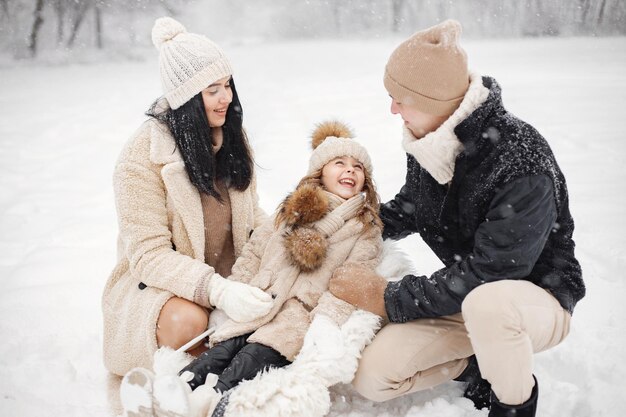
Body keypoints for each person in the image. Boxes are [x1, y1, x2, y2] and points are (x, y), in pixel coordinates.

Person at [329, 19, 585, 417]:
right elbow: (410, 208)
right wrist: (339, 224)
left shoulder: (520, 160)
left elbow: (494, 273)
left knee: (491, 305)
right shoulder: (430, 142)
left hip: (533, 301)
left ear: (434, 100)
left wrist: (386, 296)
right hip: (469, 297)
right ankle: (480, 362)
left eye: (401, 98)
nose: (392, 108)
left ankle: (512, 403)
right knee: (373, 377)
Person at [121, 120, 385, 417]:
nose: (350, 170)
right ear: (319, 171)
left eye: (358, 167)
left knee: (250, 358)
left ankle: (207, 403)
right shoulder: (293, 211)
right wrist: (237, 290)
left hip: (296, 316)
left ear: (366, 181)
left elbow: (352, 281)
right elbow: (255, 252)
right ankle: (173, 392)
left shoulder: (365, 229)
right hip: (259, 302)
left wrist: (325, 323)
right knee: (221, 351)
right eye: (339, 162)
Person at [102, 16, 274, 378]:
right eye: (212, 89)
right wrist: (218, 291)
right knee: (190, 321)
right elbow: (149, 256)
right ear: (187, 99)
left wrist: (282, 240)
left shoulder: (230, 138)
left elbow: (251, 217)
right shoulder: (141, 159)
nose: (226, 97)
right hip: (159, 288)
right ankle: (199, 378)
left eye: (227, 85)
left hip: (230, 276)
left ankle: (236, 364)